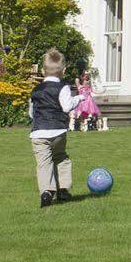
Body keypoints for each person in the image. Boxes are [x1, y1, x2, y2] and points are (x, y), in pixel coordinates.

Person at [28, 48, 81, 208]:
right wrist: (78, 98)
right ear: (63, 70)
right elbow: (66, 107)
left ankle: (46, 192)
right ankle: (63, 189)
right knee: (61, 158)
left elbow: (31, 113)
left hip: (38, 132)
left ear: (43, 70)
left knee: (44, 163)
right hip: (58, 130)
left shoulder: (35, 90)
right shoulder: (63, 87)